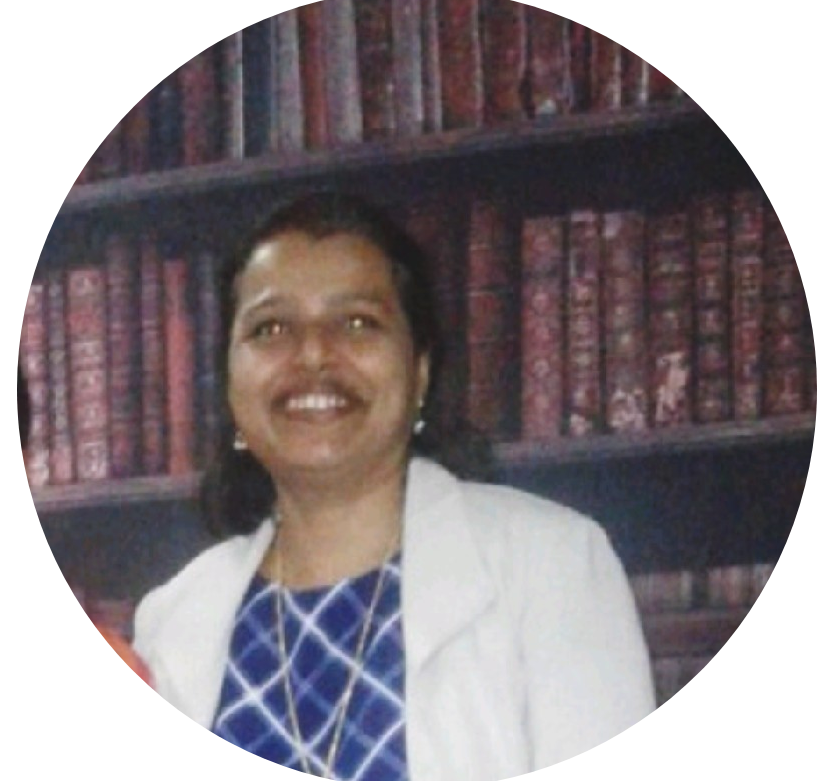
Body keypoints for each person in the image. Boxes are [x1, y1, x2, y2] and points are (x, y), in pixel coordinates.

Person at [132, 192, 655, 781]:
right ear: (230, 385)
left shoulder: (553, 566)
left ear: (420, 372)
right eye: (270, 328)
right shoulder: (172, 622)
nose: (313, 354)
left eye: (358, 323)